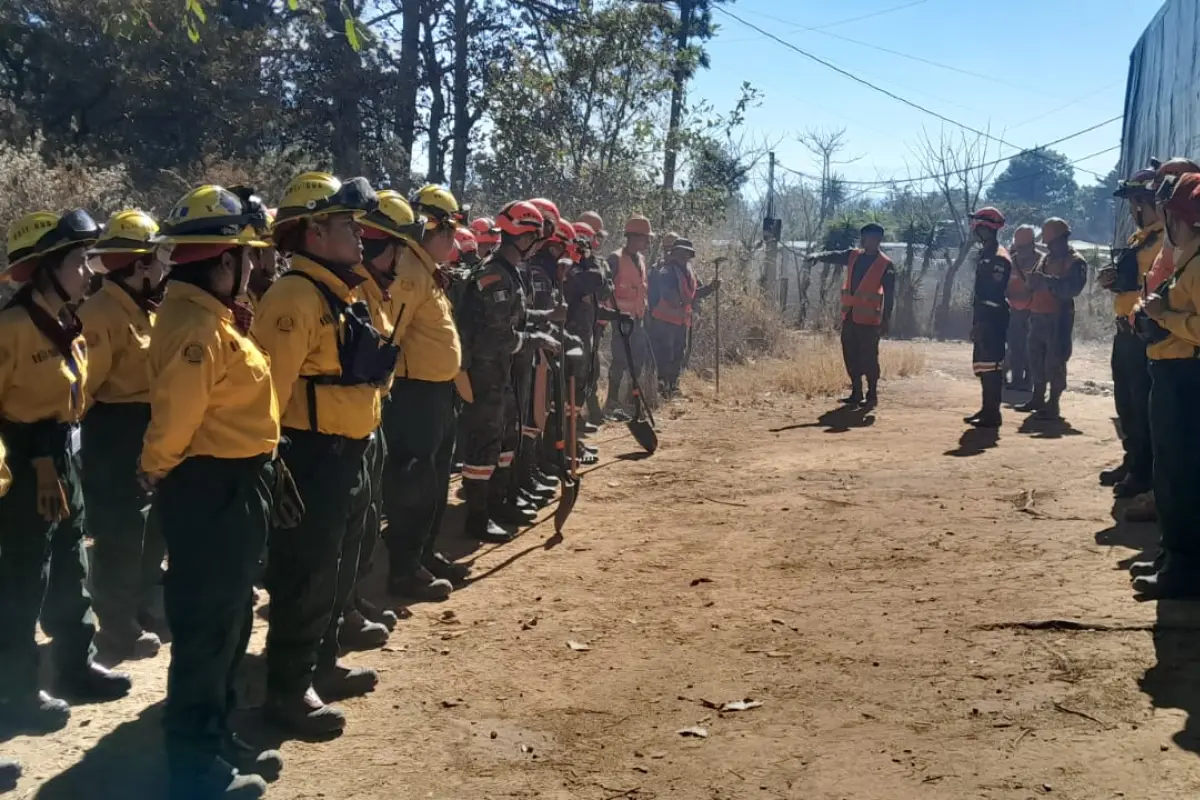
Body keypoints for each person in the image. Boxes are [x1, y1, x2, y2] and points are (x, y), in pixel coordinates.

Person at [144, 185, 285, 798]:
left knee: (229, 618)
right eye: (247, 258)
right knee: (207, 627)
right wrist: (157, 469)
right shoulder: (196, 328)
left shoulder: (213, 318)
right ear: (224, 261)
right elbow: (176, 418)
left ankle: (217, 738)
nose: (254, 268)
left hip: (232, 484)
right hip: (209, 487)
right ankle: (194, 768)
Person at [252, 172, 391, 736]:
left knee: (337, 566)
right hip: (309, 456)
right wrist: (275, 462)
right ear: (313, 232)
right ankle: (287, 692)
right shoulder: (293, 296)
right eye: (346, 225)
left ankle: (322, 666)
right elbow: (270, 390)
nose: (359, 236)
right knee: (306, 573)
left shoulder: (341, 290)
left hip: (347, 453)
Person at [0, 209, 132, 735]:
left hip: (62, 455)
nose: (91, 271)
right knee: (22, 577)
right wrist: (27, 464)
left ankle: (74, 666)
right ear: (46, 268)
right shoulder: (8, 330)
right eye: (79, 260)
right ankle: (16, 690)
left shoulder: (69, 327)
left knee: (71, 560)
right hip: (23, 464)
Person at [76, 210, 168, 664]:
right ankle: (115, 628)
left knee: (147, 530)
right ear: (138, 264)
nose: (163, 268)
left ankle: (135, 610)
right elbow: (85, 391)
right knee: (119, 532)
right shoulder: (100, 315)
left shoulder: (142, 310)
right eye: (156, 260)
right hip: (114, 433)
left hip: (143, 427)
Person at [375, 185, 468, 600]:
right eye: (447, 230)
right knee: (413, 484)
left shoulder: (426, 269)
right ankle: (404, 569)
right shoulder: (409, 275)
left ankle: (423, 555)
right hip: (414, 397)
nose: (452, 239)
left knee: (432, 480)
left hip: (436, 393)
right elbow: (389, 337)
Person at [457, 200, 559, 543]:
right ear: (524, 237)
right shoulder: (494, 274)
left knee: (505, 440)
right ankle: (477, 517)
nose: (538, 243)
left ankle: (499, 503)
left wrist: (543, 327)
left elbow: (518, 318)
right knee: (484, 444)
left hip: (503, 373)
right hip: (486, 374)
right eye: (535, 235)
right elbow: (498, 336)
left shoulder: (510, 271)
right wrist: (535, 339)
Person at [1129, 171, 1200, 599]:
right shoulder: (1187, 258)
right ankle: (1172, 557)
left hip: (1187, 380)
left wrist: (1162, 317)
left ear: (1184, 220)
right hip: (1172, 375)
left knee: (1181, 478)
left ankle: (1184, 571)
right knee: (1170, 474)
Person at [1097, 168, 1163, 499]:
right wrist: (1113, 279)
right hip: (1124, 329)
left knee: (1141, 404)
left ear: (1147, 201)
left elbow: (1161, 284)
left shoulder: (1168, 239)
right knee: (1125, 402)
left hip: (1144, 333)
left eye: (1136, 202)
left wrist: (1131, 283)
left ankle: (1144, 472)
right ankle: (1132, 460)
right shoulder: (1140, 239)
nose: (1133, 209)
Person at [807, 223, 895, 410]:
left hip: (870, 321)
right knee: (850, 355)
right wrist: (816, 256)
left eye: (873, 238)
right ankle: (856, 392)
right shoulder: (853, 255)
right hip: (850, 316)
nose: (868, 241)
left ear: (879, 240)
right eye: (865, 238)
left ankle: (872, 394)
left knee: (869, 358)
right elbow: (834, 256)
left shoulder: (886, 264)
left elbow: (890, 295)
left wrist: (886, 320)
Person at [1017, 218, 1087, 421]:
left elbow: (1072, 289)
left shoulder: (1076, 261)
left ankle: (1053, 403)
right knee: (1035, 358)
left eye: (1052, 242)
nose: (1049, 246)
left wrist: (1046, 281)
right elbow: (1034, 283)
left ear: (1063, 239)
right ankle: (1037, 398)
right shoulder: (1045, 259)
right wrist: (1031, 282)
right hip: (1038, 315)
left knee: (1055, 360)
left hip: (1058, 318)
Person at [648, 237, 718, 398]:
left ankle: (673, 385)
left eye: (687, 253)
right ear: (675, 252)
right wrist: (683, 301)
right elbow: (669, 294)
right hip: (664, 320)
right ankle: (661, 387)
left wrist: (710, 288)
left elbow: (695, 294)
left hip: (681, 320)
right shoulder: (665, 270)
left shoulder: (690, 273)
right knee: (665, 354)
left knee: (679, 353)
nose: (683, 256)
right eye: (680, 252)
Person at [963, 208, 1011, 429]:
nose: (975, 229)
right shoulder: (987, 253)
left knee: (992, 368)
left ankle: (993, 415)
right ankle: (986, 409)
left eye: (978, 225)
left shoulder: (998, 257)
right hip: (984, 317)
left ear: (986, 228)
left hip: (992, 319)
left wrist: (982, 323)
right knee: (984, 367)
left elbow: (993, 293)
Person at [604, 215, 655, 418]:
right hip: (621, 320)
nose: (647, 242)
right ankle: (611, 402)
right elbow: (605, 289)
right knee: (619, 361)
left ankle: (631, 402)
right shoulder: (615, 259)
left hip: (638, 319)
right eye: (645, 238)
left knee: (636, 362)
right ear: (633, 237)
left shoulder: (641, 260)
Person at [1005, 225, 1038, 391]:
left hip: (1035, 313)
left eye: (1024, 247)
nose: (1021, 251)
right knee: (1015, 345)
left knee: (1031, 348)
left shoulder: (1042, 261)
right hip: (1015, 311)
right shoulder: (1009, 261)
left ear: (1032, 245)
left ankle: (1029, 382)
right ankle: (1016, 380)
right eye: (1019, 247)